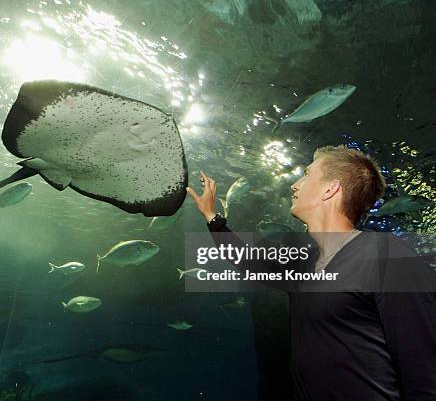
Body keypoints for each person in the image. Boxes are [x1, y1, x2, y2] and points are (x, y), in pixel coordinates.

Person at [186, 145, 436, 400]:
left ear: (331, 189)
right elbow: (253, 264)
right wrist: (212, 217)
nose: (295, 185)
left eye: (306, 174)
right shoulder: (305, 267)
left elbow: (424, 373)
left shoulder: (388, 257)